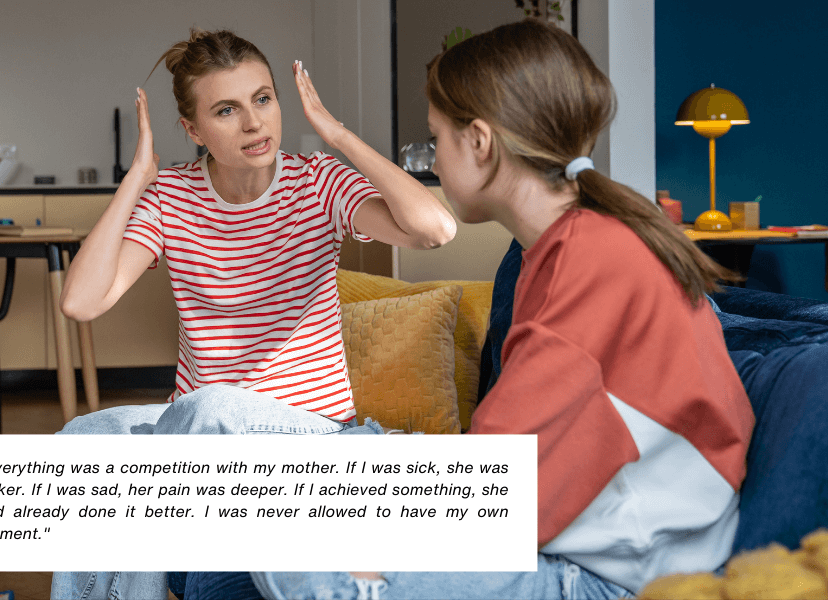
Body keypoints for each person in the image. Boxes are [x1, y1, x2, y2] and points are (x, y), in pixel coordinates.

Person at [250, 17, 755, 600]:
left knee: (287, 532)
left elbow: (486, 488)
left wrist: (373, 544)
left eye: (436, 138)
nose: (433, 160)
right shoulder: (562, 247)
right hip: (568, 527)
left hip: (617, 573)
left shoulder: (592, 260)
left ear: (481, 143)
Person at [50, 27, 455, 600]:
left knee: (210, 407)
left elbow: (435, 229)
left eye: (263, 99)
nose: (254, 122)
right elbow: (81, 302)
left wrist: (337, 135)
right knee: (85, 438)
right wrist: (136, 181)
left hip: (308, 439)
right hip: (202, 448)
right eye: (226, 109)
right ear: (193, 130)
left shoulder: (318, 183)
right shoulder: (171, 198)